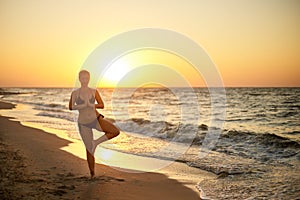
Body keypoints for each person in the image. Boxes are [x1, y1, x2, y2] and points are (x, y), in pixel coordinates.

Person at [69, 70, 120, 178]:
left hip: (96, 119)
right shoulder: (75, 93)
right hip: (83, 123)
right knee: (89, 149)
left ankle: (96, 142)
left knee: (115, 131)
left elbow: (102, 105)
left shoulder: (93, 91)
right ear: (79, 79)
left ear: (89, 79)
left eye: (87, 78)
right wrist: (82, 106)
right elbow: (71, 107)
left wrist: (93, 105)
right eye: (83, 78)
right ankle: (92, 174)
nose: (85, 80)